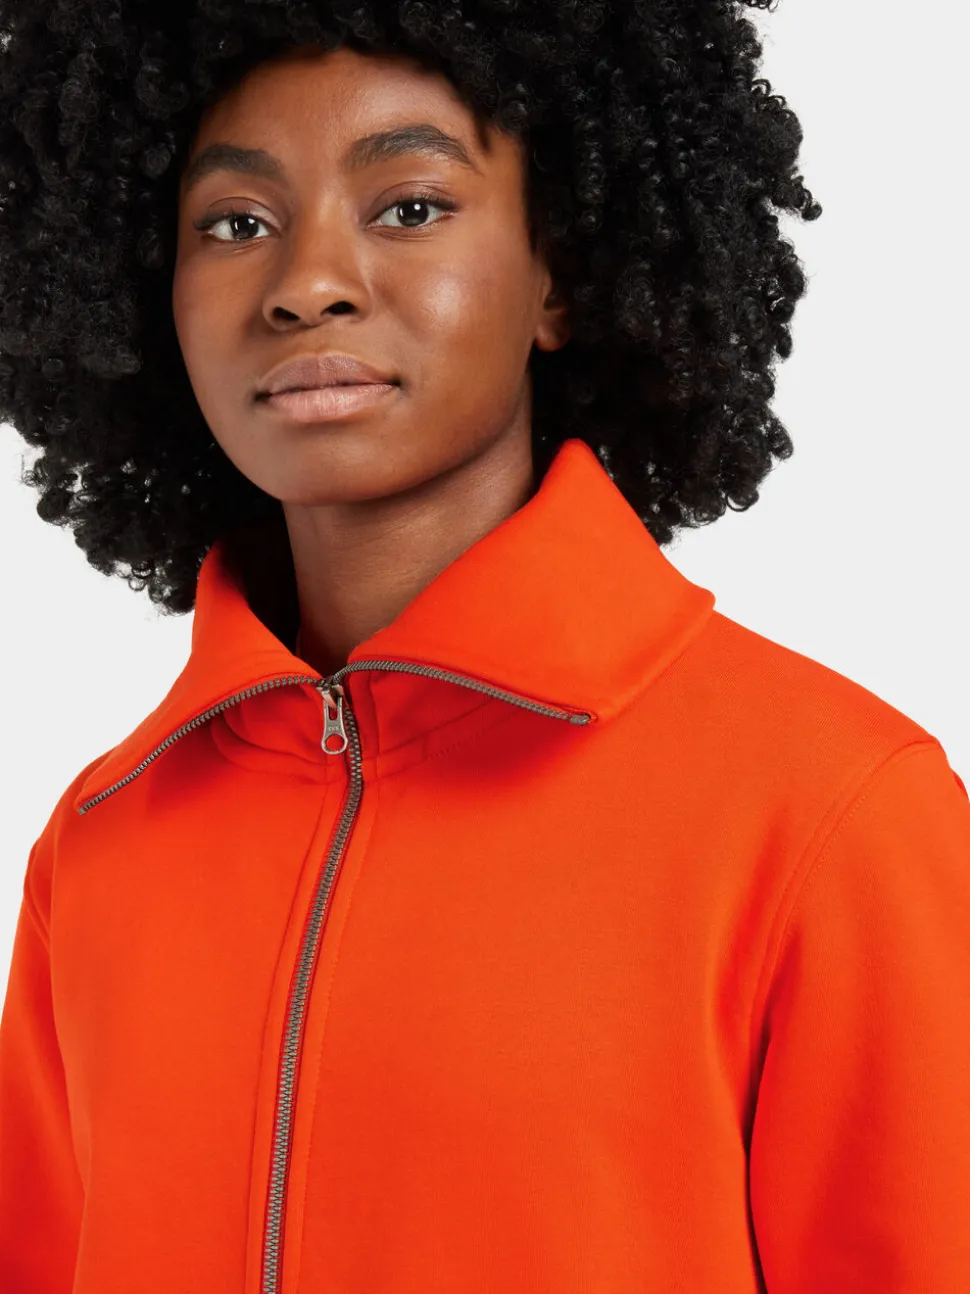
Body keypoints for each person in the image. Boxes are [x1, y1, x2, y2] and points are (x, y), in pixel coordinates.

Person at [1, 4, 968, 1292]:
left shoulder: (832, 810)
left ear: (555, 275)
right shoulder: (99, 843)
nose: (306, 284)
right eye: (234, 224)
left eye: (409, 206)